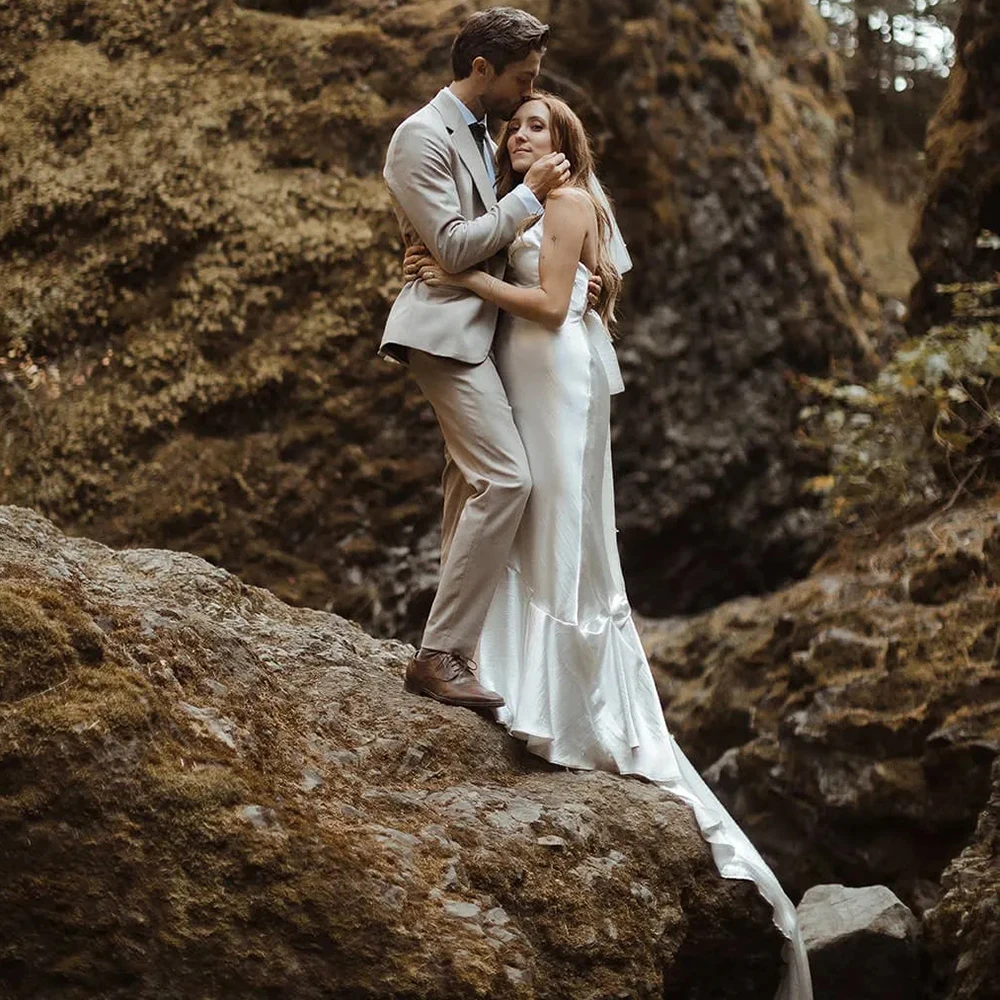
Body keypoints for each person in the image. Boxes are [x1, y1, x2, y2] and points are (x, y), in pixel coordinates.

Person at [410, 90, 814, 1000]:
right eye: (514, 126)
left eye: (539, 126)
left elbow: (551, 307)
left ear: (568, 143)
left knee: (556, 516)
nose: (522, 136)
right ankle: (510, 663)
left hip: (553, 368)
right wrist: (453, 256)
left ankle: (563, 698)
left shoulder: (571, 201)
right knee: (530, 507)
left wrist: (455, 278)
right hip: (529, 364)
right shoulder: (511, 199)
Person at [380, 8, 592, 710]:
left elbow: (474, 241)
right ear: (482, 70)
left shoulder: (477, 132)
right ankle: (439, 657)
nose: (528, 91)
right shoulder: (420, 136)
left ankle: (455, 649)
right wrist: (527, 200)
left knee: (468, 490)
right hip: (442, 331)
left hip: (482, 329)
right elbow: (453, 245)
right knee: (506, 481)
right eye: (522, 79)